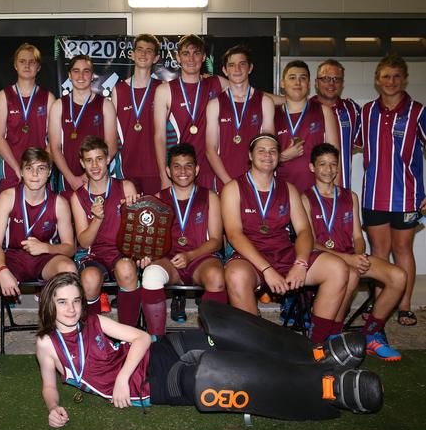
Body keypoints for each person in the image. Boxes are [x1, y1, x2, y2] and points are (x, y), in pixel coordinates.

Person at [36, 272, 383, 428]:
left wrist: (123, 376)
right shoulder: (46, 344)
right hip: (155, 385)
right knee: (214, 376)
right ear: (49, 304)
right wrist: (53, 407)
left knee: (227, 334)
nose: (70, 309)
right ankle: (326, 389)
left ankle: (316, 354)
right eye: (62, 302)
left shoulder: (94, 321)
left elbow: (140, 338)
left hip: (155, 354)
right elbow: (50, 386)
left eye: (76, 302)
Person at [0, 147, 76, 385]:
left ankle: (66, 349)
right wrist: (2, 271)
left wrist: (47, 248)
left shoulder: (59, 202)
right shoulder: (8, 196)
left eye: (41, 169)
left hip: (45, 258)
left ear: (49, 173)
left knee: (69, 271)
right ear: (21, 172)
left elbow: (70, 247)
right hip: (13, 257)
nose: (35, 175)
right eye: (29, 169)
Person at [221, 134, 349, 344]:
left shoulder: (288, 189)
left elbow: (304, 231)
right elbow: (234, 234)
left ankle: (315, 346)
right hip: (251, 258)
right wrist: (266, 270)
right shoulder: (232, 188)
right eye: (261, 150)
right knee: (235, 275)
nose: (267, 155)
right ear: (250, 156)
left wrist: (300, 263)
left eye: (273, 151)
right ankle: (256, 348)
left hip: (284, 253)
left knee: (338, 268)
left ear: (279, 157)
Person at [302, 143, 405, 360]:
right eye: (322, 164)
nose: (329, 169)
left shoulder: (351, 196)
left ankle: (370, 335)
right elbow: (309, 242)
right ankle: (332, 336)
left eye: (333, 164)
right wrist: (349, 260)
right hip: (323, 260)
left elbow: (358, 237)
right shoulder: (304, 198)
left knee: (398, 276)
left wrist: (359, 255)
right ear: (312, 167)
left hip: (350, 256)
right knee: (347, 273)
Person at [356, 54, 426, 326]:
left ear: (405, 79)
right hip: (374, 195)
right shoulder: (367, 111)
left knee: (403, 249)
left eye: (396, 76)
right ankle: (377, 306)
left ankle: (405, 306)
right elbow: (356, 143)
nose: (391, 81)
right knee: (378, 252)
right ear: (377, 79)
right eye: (386, 76)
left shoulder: (418, 112)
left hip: (407, 197)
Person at [139, 144, 225, 333]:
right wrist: (146, 256)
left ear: (196, 169)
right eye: (177, 166)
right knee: (151, 275)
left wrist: (190, 255)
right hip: (168, 260)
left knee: (217, 277)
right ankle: (157, 339)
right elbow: (151, 241)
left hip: (201, 259)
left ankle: (212, 337)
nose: (183, 171)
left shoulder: (210, 197)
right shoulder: (158, 198)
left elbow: (216, 241)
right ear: (168, 171)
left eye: (188, 165)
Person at [70, 136, 146, 320]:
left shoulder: (125, 186)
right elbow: (84, 241)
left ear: (108, 159)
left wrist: (133, 210)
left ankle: (128, 336)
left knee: (127, 270)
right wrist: (97, 218)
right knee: (89, 279)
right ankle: (95, 336)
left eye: (99, 159)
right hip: (93, 253)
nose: (95, 165)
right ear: (82, 163)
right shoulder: (77, 197)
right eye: (89, 160)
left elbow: (140, 230)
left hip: (122, 252)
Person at [153, 34, 228, 191]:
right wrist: (163, 176)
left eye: (197, 53)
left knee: (210, 214)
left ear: (204, 57)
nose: (191, 59)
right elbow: (159, 137)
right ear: (178, 57)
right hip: (180, 171)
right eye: (186, 54)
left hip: (210, 169)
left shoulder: (216, 83)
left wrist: (288, 99)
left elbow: (251, 94)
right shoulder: (164, 90)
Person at [206, 45, 275, 193]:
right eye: (231, 65)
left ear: (250, 68)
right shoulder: (215, 104)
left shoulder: (265, 102)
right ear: (225, 70)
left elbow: (269, 147)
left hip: (256, 184)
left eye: (242, 64)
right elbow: (210, 150)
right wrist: (229, 184)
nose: (237, 69)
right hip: (224, 182)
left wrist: (254, 183)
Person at [0, 43, 54, 195]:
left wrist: (40, 168)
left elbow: (54, 140)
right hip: (10, 168)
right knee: (7, 215)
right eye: (22, 61)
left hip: (38, 172)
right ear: (15, 65)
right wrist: (16, 167)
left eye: (32, 62)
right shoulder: (3, 96)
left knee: (42, 215)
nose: (27, 65)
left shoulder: (48, 98)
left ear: (38, 67)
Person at [49, 55, 117, 194]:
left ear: (92, 76)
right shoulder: (58, 106)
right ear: (69, 75)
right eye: (76, 71)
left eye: (86, 71)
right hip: (68, 179)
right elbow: (54, 147)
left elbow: (112, 146)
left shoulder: (105, 104)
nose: (81, 75)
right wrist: (72, 179)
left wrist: (88, 175)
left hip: (98, 177)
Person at [274, 60, 340, 193]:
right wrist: (282, 157)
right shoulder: (272, 114)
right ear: (282, 83)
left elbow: (335, 155)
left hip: (316, 192)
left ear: (309, 84)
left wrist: (334, 192)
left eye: (302, 78)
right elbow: (262, 157)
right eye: (292, 78)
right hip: (281, 192)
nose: (297, 83)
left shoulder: (323, 111)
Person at [111, 34, 162, 195]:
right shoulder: (118, 90)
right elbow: (112, 133)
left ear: (156, 58)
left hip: (156, 169)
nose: (143, 54)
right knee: (129, 218)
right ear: (132, 54)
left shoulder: (163, 89)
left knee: (157, 217)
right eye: (139, 49)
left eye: (149, 51)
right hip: (126, 168)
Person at [310, 59, 361, 189]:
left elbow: (361, 142)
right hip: (310, 191)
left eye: (336, 79)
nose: (331, 83)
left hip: (341, 190)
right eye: (326, 78)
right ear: (316, 83)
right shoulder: (306, 109)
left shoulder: (352, 109)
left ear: (342, 84)